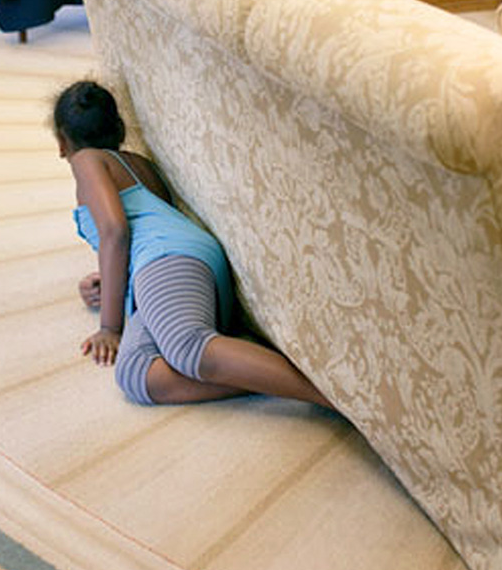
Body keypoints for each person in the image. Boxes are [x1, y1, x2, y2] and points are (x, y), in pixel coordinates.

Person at [54, 79, 334, 409]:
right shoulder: (138, 164)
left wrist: (109, 326)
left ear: (62, 141)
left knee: (186, 347)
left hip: (165, 258)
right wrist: (109, 279)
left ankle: (336, 398)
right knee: (135, 374)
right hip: (185, 259)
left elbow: (115, 232)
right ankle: (264, 373)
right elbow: (151, 225)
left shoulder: (86, 160)